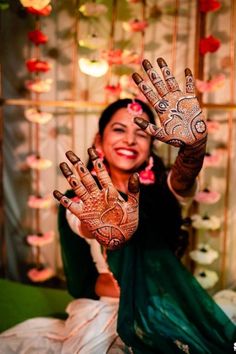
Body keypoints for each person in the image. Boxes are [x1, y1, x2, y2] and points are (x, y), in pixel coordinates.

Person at [53, 58, 236, 353]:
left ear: (152, 146)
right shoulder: (81, 198)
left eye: (141, 132)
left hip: (166, 305)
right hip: (105, 313)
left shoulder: (164, 188)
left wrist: (193, 149)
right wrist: (104, 225)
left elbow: (184, 179)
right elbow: (85, 229)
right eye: (118, 130)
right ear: (99, 140)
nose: (130, 139)